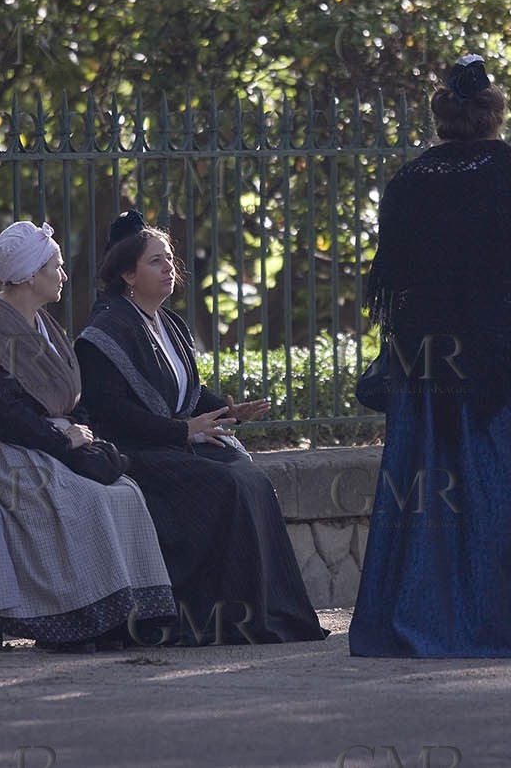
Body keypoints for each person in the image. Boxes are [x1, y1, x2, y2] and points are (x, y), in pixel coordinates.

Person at [348, 54, 511, 658]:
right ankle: (502, 621)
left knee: (429, 502)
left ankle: (423, 619)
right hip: (504, 366)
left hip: (428, 369)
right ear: (494, 117)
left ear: (443, 117)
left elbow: (391, 283)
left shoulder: (409, 183)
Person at [74, 211, 328, 646]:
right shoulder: (103, 333)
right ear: (127, 274)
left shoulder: (170, 324)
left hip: (176, 444)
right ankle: (219, 618)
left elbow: (188, 393)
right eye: (156, 261)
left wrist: (229, 413)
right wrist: (182, 432)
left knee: (250, 477)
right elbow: (112, 413)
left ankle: (268, 614)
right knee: (226, 482)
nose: (170, 268)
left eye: (170, 259)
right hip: (140, 455)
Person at [0, 220, 176, 652]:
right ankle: (72, 619)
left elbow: (61, 399)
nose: (63, 275)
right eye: (56, 267)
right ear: (31, 275)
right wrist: (62, 443)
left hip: (28, 437)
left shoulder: (42, 324)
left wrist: (78, 438)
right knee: (71, 496)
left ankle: (124, 616)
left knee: (122, 493)